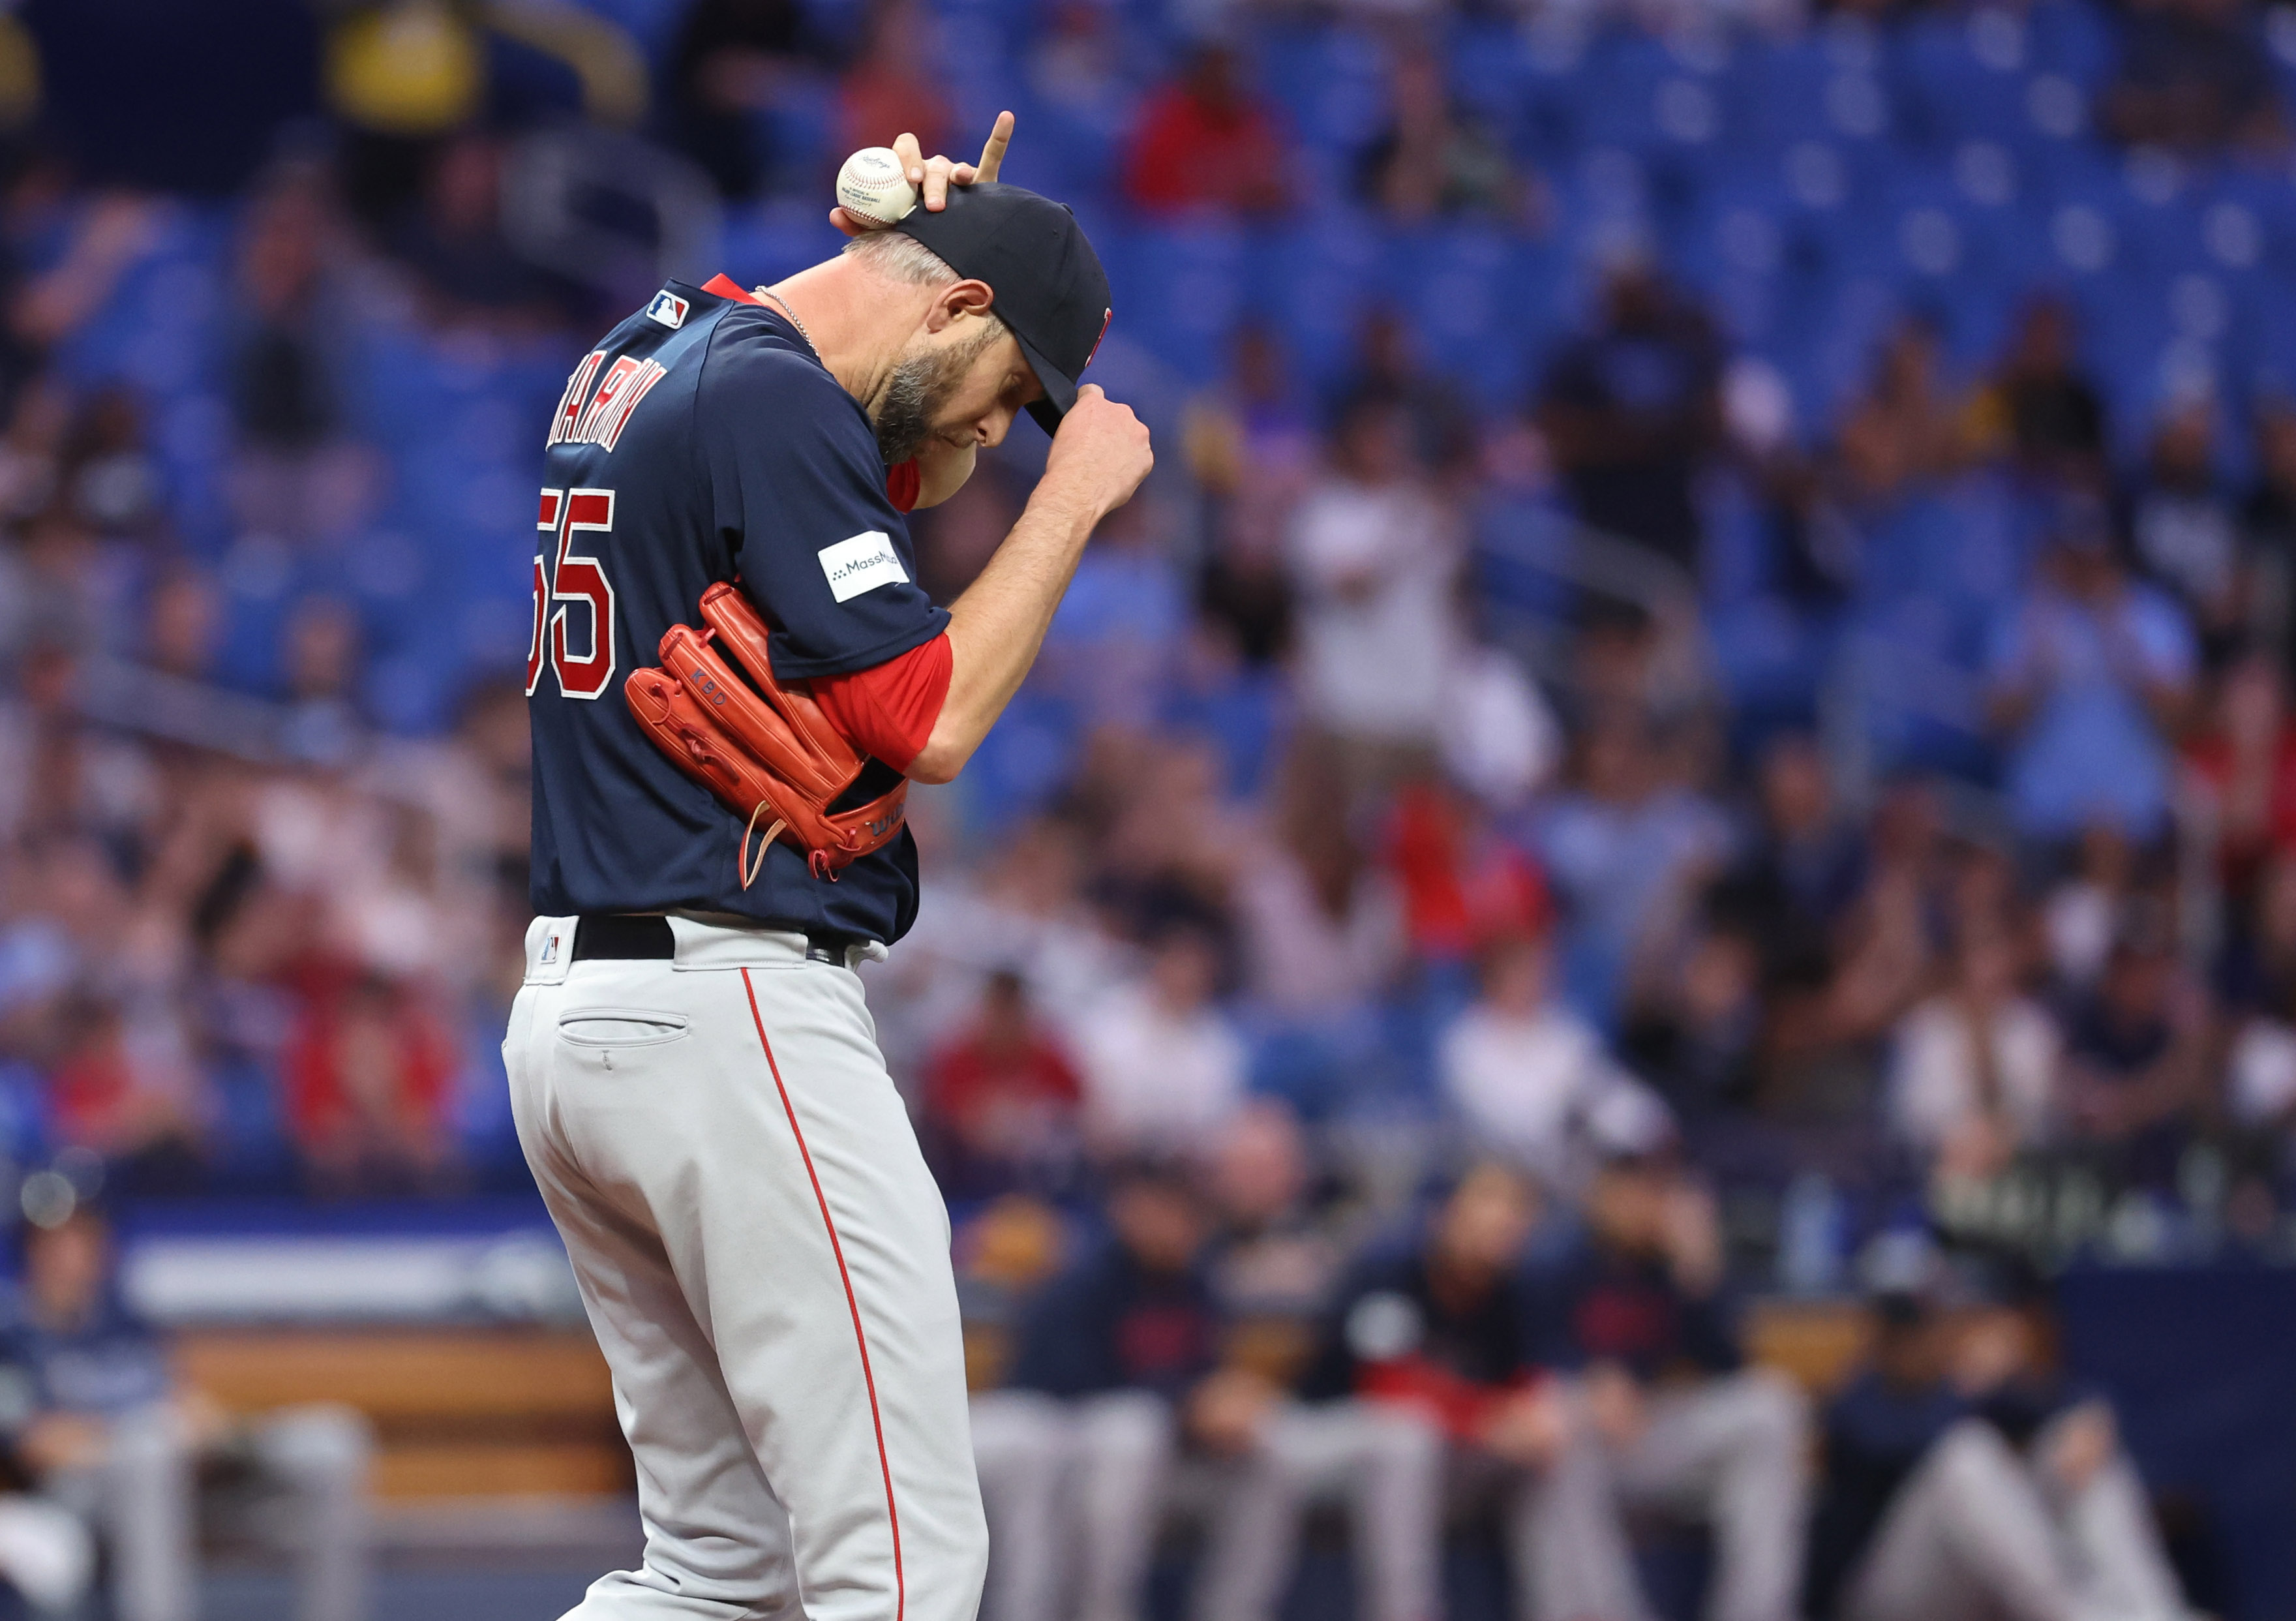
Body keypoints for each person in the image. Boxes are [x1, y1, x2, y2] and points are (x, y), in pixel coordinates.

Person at [505, 115, 1154, 1621]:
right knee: (908, 1569)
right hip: (727, 1018)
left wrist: (889, 249)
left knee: (715, 1574)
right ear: (957, 306)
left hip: (577, 1020)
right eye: (1007, 397)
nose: (992, 440)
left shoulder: (645, 346)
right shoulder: (778, 401)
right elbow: (926, 721)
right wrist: (1073, 501)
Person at [0, 1191, 371, 1621]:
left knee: (332, 1439)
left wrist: (210, 1430)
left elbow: (184, 1401)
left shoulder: (126, 1323)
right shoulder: (14, 1335)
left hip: (180, 1474)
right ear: (32, 1251)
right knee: (149, 1450)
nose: (74, 1255)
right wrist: (138, 1431)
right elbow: (34, 1442)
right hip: (85, 1494)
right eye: (59, 1243)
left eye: (85, 1239)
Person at [968, 1162, 1295, 1621]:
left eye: (1186, 1214)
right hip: (1074, 1447)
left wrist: (1224, 1404)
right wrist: (1187, 1405)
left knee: (1267, 1447)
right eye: (1161, 1210)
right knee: (1128, 1428)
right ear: (1128, 1211)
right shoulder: (1086, 1279)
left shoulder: (1196, 1283)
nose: (1175, 1226)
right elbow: (1069, 1386)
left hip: (1166, 1458)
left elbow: (1206, 1375)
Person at [1806, 1241, 2196, 1621]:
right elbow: (1907, 1443)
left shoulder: (1949, 1389)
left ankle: (2156, 1612)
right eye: (1899, 1324)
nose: (1913, 1338)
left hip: (1962, 1589)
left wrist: (2084, 1419)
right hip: (1874, 1598)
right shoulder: (1857, 1400)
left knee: (2072, 1443)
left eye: (1923, 1322)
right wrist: (1971, 1386)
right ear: (1876, 1330)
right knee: (1965, 1459)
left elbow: (2074, 1399)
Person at [1523, 1150, 1812, 1621]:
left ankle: (1757, 1611)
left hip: (1649, 1430)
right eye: (1628, 1188)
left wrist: (1699, 1272)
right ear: (1599, 1193)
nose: (1640, 1203)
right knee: (1561, 1410)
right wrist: (1585, 1377)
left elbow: (1729, 1365)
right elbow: (1526, 1352)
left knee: (1770, 1406)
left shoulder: (1669, 1266)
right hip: (1575, 1443)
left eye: (1653, 1190)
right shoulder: (1555, 1259)